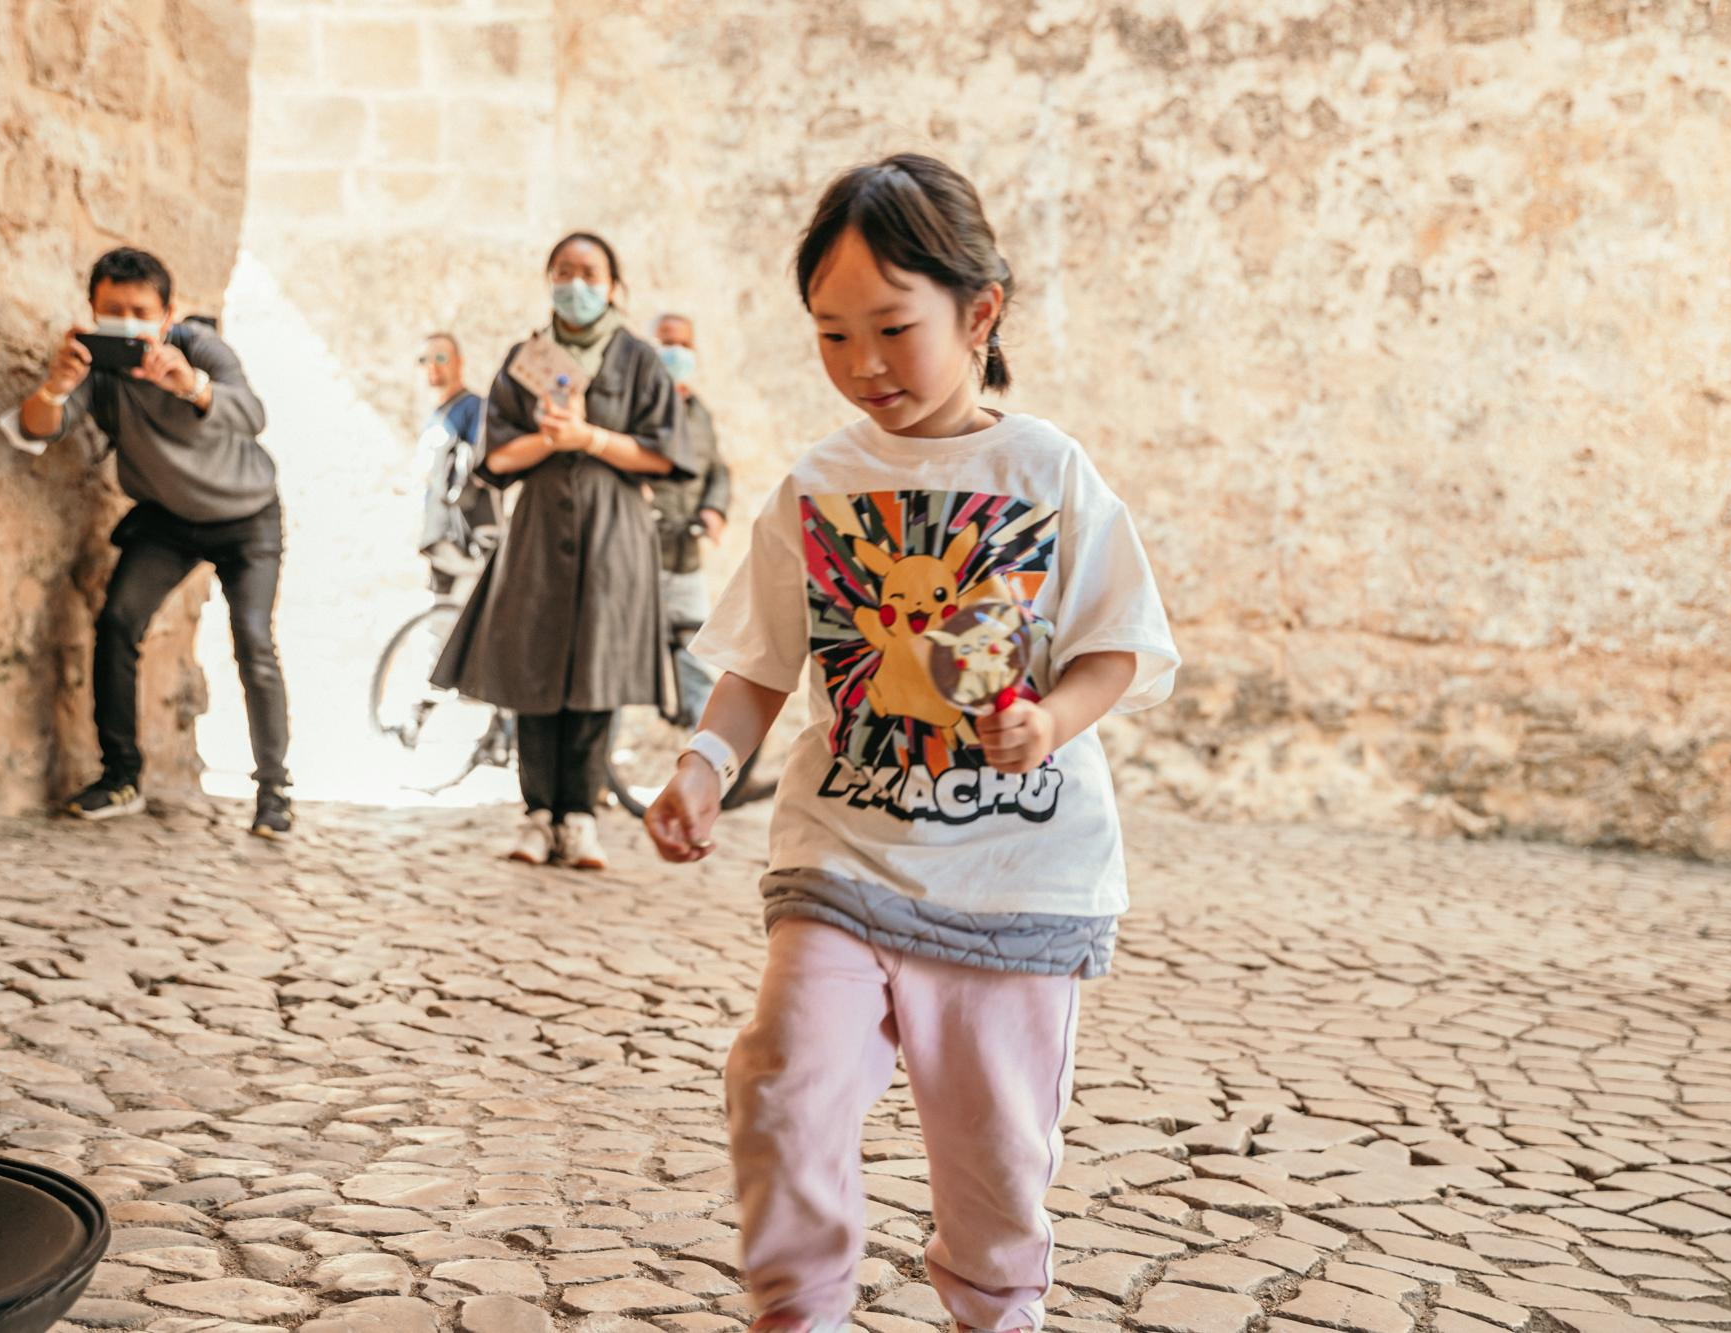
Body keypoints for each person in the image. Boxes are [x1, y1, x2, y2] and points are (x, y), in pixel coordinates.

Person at [645, 154, 1179, 1333]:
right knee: (779, 1087)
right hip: (841, 859)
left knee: (993, 1165)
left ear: (978, 311)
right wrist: (699, 764)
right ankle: (799, 1313)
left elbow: (1117, 647)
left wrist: (1047, 721)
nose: (861, 366)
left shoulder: (1048, 473)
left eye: (890, 328)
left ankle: (993, 1314)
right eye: (830, 336)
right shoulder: (817, 484)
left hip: (1012, 886)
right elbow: (757, 668)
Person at [432, 232, 692, 870]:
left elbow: (664, 454)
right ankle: (536, 812)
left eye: (589, 273)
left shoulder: (637, 360)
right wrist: (553, 440)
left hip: (614, 533)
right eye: (564, 271)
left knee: (597, 669)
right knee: (534, 667)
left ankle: (580, 814)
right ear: (549, 278)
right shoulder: (528, 357)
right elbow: (498, 456)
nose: (575, 284)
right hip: (540, 533)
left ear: (613, 285)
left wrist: (590, 436)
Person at [17, 246, 293, 838]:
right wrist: (57, 387)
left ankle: (273, 791)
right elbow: (34, 431)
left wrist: (190, 384)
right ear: (91, 310)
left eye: (138, 309)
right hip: (167, 519)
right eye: (110, 309)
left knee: (252, 639)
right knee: (117, 622)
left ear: (166, 315)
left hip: (247, 517)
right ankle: (120, 775)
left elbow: (252, 414)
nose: (125, 320)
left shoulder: (200, 350)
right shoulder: (95, 369)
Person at [649, 313, 732, 725]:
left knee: (697, 657)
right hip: (642, 555)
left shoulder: (700, 412)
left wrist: (713, 510)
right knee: (615, 666)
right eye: (666, 342)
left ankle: (709, 767)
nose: (675, 352)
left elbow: (718, 470)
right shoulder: (638, 406)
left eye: (683, 343)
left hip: (686, 558)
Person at [414, 331, 500, 594]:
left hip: (465, 538)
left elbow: (483, 465)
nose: (432, 365)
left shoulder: (473, 409)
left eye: (440, 357)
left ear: (458, 362)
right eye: (424, 359)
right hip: (438, 537)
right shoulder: (436, 416)